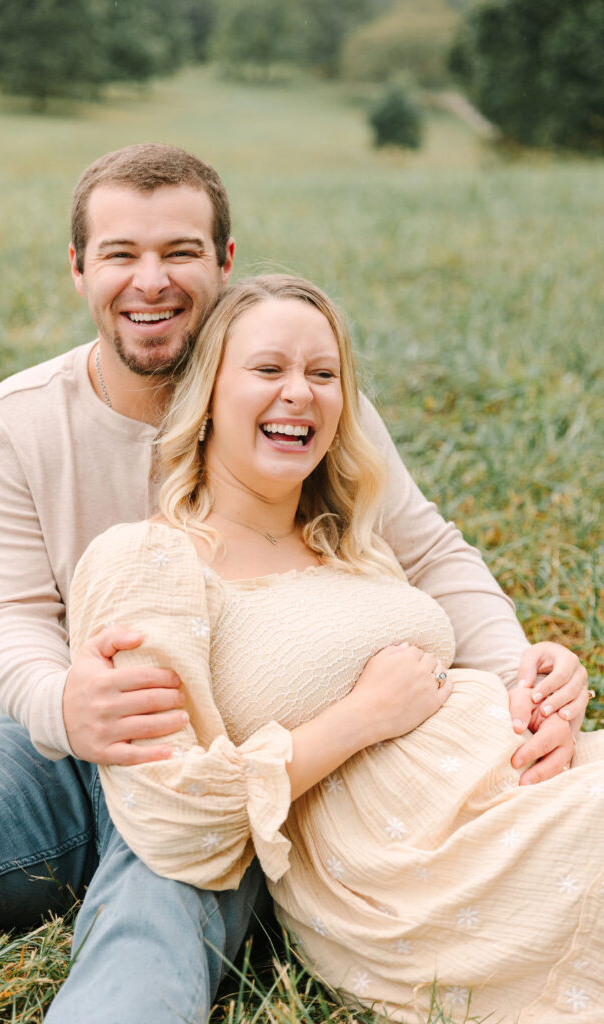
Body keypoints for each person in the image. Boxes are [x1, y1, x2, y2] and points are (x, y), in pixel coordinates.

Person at [0, 143, 588, 1021]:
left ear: (223, 264)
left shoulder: (299, 404)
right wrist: (64, 704)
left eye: (181, 252)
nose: (150, 281)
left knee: (147, 932)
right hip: (76, 736)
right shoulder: (14, 427)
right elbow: (9, 614)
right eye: (121, 254)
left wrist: (521, 682)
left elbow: (429, 551)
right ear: (79, 270)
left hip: (243, 757)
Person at [69, 273, 604, 1024]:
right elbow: (169, 819)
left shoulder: (348, 541)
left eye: (323, 374)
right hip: (429, 866)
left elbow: (449, 619)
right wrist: (360, 717)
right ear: (207, 398)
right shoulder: (148, 561)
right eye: (267, 370)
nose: (300, 392)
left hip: (532, 784)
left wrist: (538, 677)